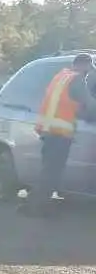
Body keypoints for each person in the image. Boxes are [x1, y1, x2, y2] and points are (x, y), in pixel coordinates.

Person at [29, 52, 95, 215]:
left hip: (48, 131)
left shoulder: (61, 76)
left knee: (47, 170)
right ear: (82, 65)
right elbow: (89, 104)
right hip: (59, 134)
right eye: (89, 67)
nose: (89, 72)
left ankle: (33, 204)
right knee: (52, 172)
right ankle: (37, 209)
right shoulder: (77, 79)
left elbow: (66, 104)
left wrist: (80, 113)